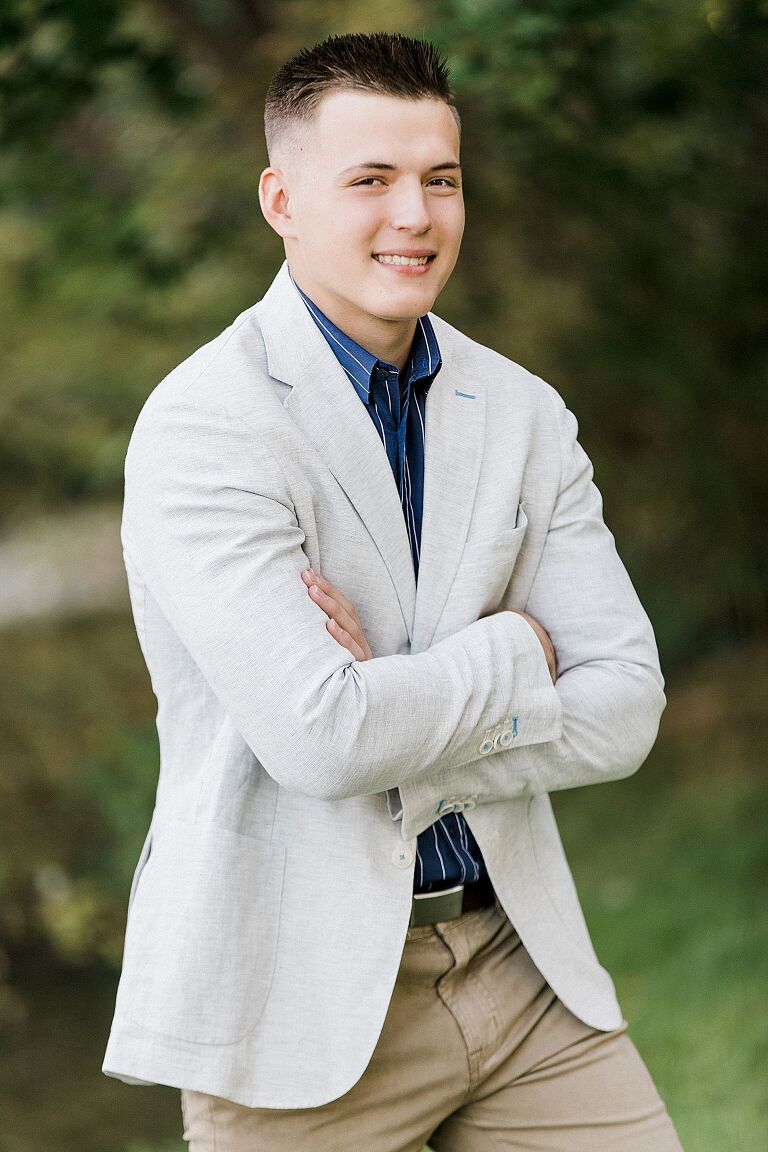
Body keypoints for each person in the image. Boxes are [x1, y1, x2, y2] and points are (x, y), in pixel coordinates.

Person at [102, 31, 684, 1152]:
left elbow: (629, 707)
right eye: (370, 180)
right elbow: (321, 740)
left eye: (441, 179)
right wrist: (518, 649)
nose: (415, 215)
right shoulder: (204, 426)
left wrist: (392, 703)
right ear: (281, 198)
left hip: (522, 973)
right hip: (295, 1007)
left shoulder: (520, 411)